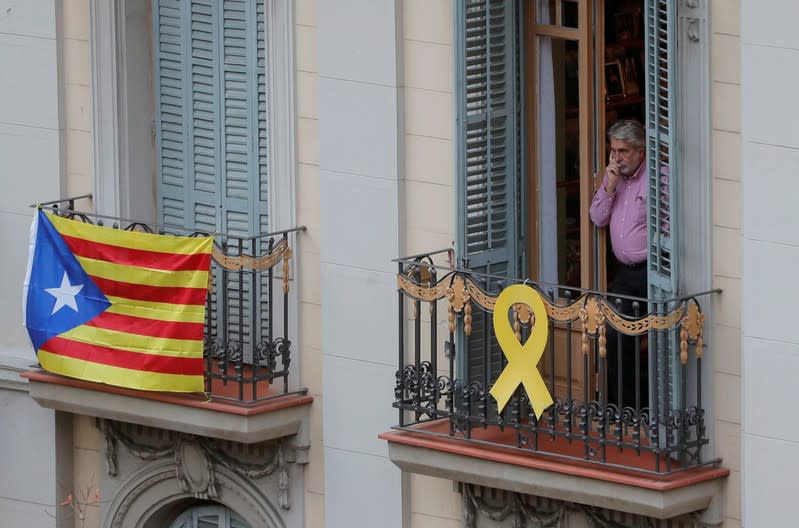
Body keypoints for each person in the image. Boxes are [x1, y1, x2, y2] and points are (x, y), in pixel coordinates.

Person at [589, 119, 648, 409]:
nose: (617, 158)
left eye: (623, 151)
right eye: (614, 151)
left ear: (640, 151)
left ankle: (650, 408)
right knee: (615, 335)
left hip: (652, 274)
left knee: (655, 341)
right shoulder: (613, 179)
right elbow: (597, 218)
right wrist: (609, 186)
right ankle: (625, 408)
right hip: (625, 275)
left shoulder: (657, 177)